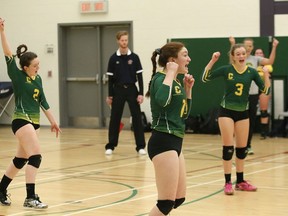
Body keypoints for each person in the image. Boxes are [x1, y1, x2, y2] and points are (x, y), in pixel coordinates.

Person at [0, 18, 61, 208]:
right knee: (36, 156)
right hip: (21, 120)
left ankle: (0, 189)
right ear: (26, 67)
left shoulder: (38, 79)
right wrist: (2, 32)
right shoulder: (18, 76)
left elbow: (43, 101)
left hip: (33, 123)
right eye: (35, 65)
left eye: (38, 64)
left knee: (21, 159)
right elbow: (8, 53)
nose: (38, 67)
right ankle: (30, 197)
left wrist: (53, 121)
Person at [202, 44, 271, 195]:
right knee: (228, 149)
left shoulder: (252, 72)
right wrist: (213, 60)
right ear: (233, 56)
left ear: (246, 55)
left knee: (242, 149)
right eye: (238, 54)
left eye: (243, 54)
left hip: (243, 113)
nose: (241, 56)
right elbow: (205, 77)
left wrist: (265, 75)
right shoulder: (227, 69)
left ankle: (240, 181)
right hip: (226, 111)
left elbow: (266, 90)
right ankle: (227, 182)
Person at [145, 42, 195, 215]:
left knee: (179, 198)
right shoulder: (160, 79)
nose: (189, 59)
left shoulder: (175, 82)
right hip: (163, 141)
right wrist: (171, 72)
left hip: (175, 140)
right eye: (185, 55)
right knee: (165, 203)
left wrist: (188, 90)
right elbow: (162, 100)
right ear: (173, 60)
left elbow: (184, 115)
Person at [229, 37, 279, 154]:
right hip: (240, 94)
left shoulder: (256, 59)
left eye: (250, 46)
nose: (248, 48)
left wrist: (274, 47)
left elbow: (270, 61)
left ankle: (248, 145)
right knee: (237, 120)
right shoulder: (238, 58)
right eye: (246, 45)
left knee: (250, 120)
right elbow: (231, 58)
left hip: (252, 94)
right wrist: (232, 44)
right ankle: (237, 143)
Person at [105, 30, 146, 155]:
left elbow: (140, 77)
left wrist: (140, 93)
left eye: (126, 40)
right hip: (118, 90)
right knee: (115, 118)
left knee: (137, 118)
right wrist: (110, 95)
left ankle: (140, 146)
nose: (124, 42)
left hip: (132, 89)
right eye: (122, 40)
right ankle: (111, 145)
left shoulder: (134, 57)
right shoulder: (113, 58)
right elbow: (110, 79)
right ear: (118, 41)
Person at [254, 48, 273, 139]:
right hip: (252, 88)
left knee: (263, 110)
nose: (259, 54)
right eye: (257, 53)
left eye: (260, 53)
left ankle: (263, 132)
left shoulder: (267, 65)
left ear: (263, 55)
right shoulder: (251, 64)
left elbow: (268, 75)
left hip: (263, 88)